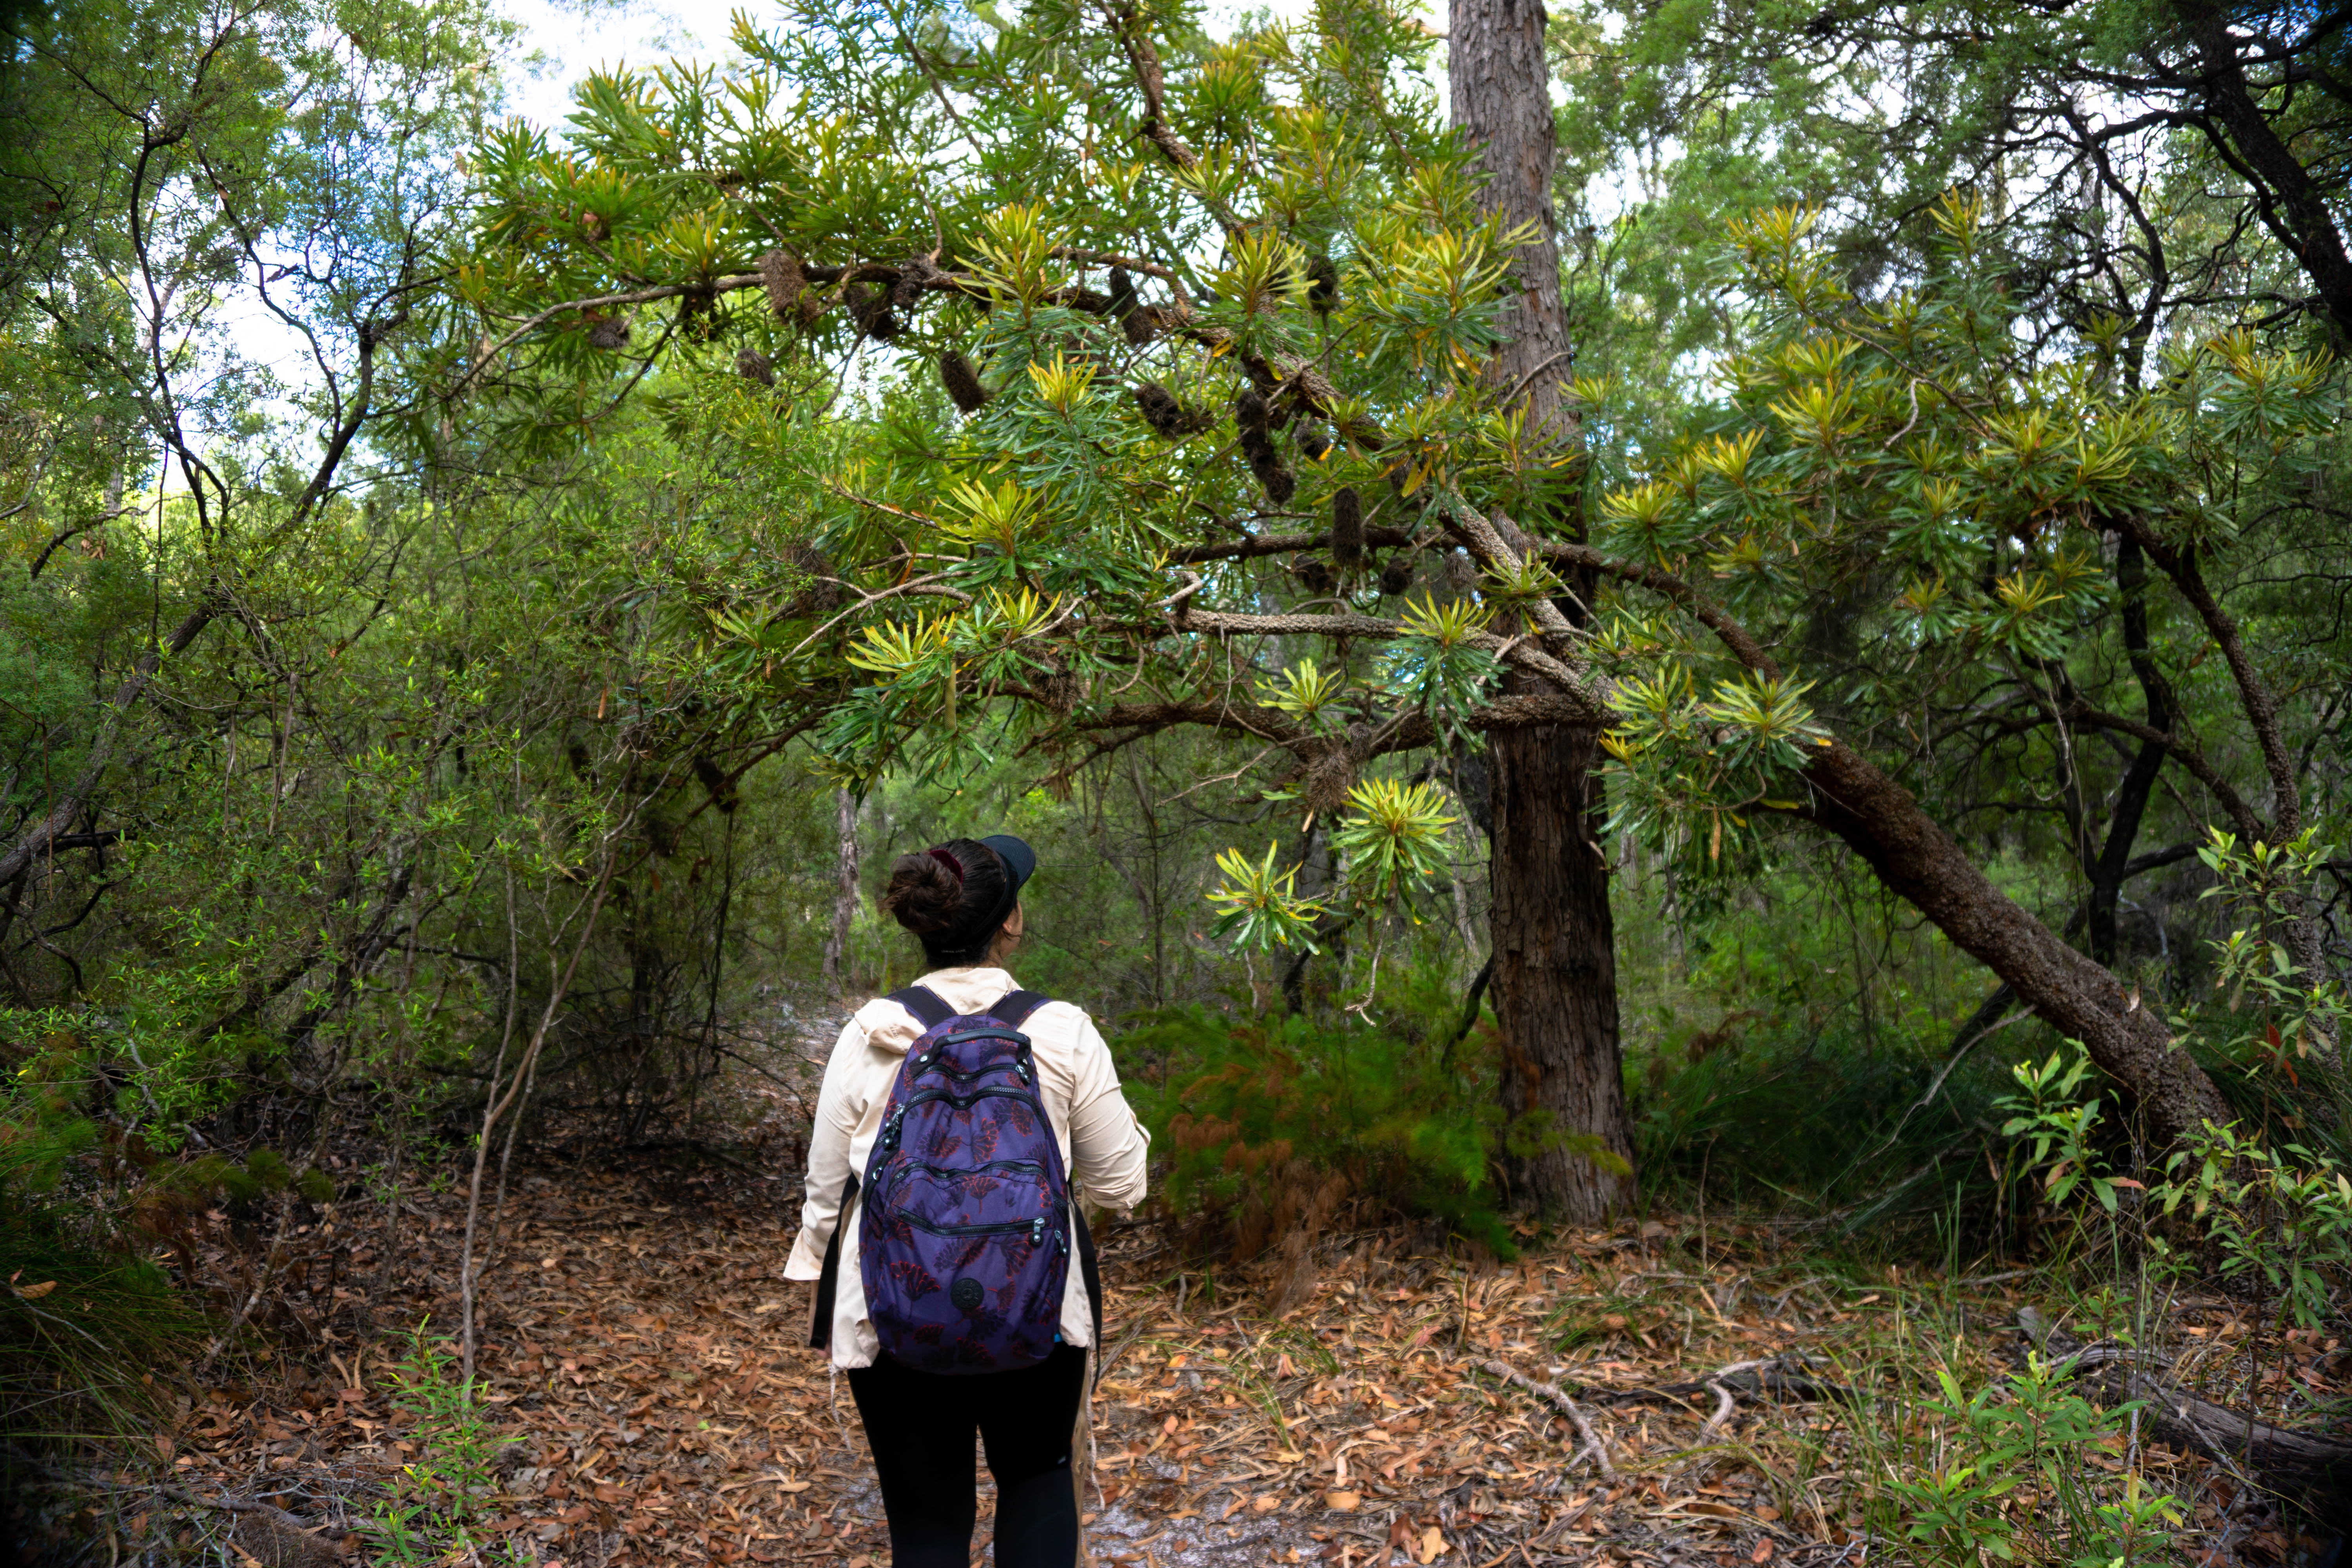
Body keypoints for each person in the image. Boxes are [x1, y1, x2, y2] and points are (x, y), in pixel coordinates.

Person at [785, 832, 1150, 1568]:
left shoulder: (870, 1032)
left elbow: (827, 1190)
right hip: (1038, 1310)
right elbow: (1122, 1184)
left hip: (895, 1309)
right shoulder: (1063, 1030)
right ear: (1009, 921)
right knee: (1038, 1486)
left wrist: (820, 1275)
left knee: (926, 1532)